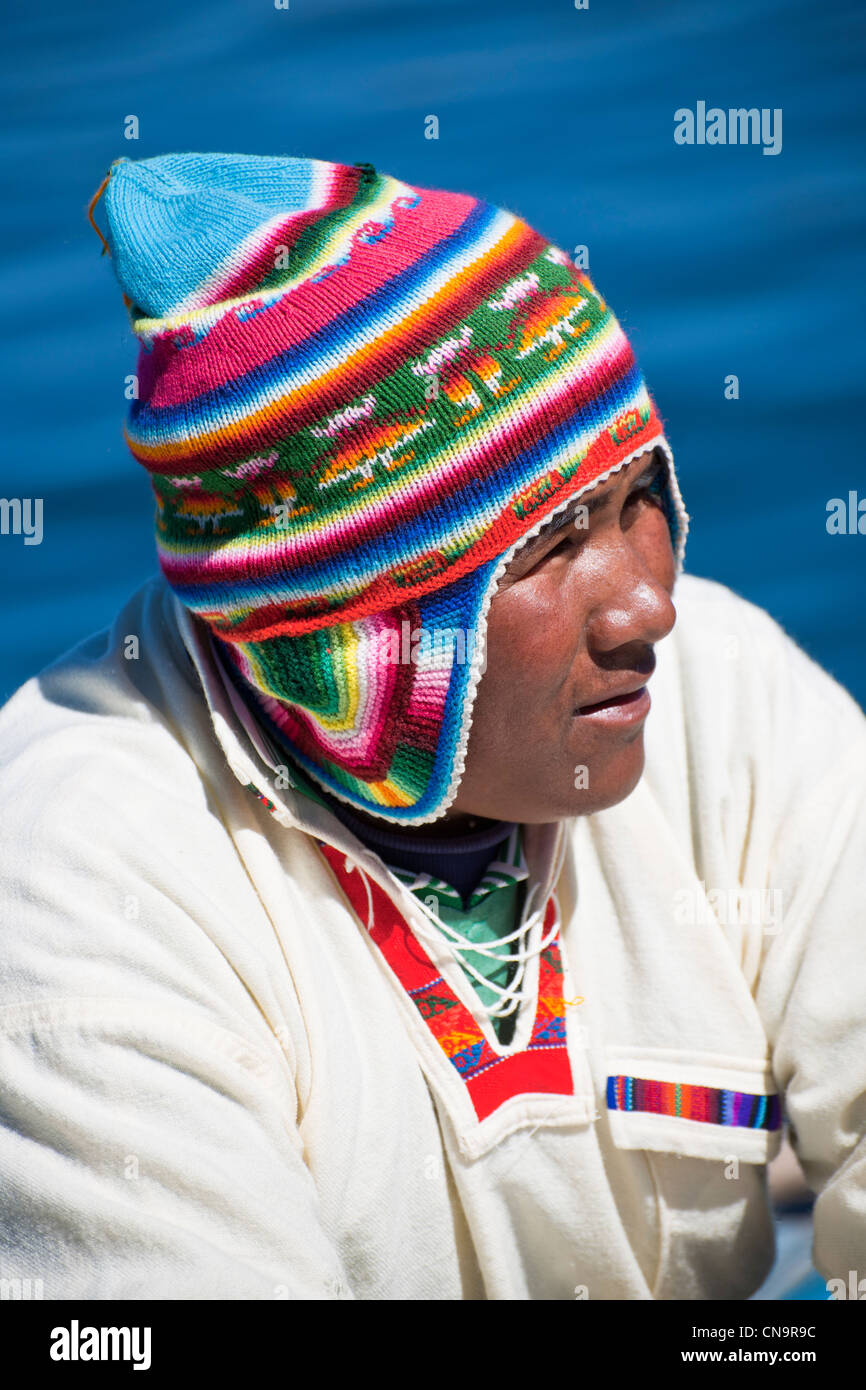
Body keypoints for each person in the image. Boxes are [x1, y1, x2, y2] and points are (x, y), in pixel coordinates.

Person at [0, 152, 863, 1301]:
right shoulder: (79, 885)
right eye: (549, 545)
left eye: (638, 493)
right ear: (350, 636)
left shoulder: (722, 690)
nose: (650, 603)